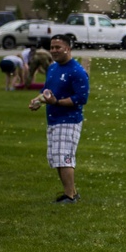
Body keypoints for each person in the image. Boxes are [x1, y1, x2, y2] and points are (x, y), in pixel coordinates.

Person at [28, 34, 90, 203]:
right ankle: (71, 192)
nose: (54, 50)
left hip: (69, 120)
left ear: (68, 48)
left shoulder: (77, 71)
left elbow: (81, 99)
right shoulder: (53, 68)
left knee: (65, 158)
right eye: (52, 47)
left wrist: (57, 102)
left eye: (58, 47)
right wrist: (38, 101)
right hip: (54, 120)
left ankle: (70, 197)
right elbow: (47, 91)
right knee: (57, 158)